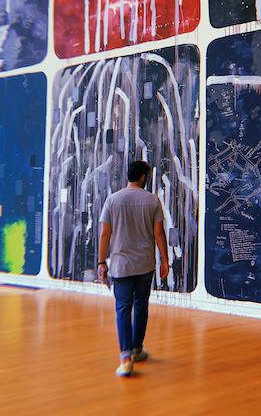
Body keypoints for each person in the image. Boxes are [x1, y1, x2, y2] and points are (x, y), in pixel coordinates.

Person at [97, 160, 169, 377]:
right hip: (145, 264)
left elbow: (105, 234)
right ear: (143, 177)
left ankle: (126, 358)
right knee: (141, 307)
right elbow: (159, 233)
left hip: (121, 266)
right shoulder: (152, 201)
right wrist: (165, 260)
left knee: (122, 309)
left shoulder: (112, 200)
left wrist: (101, 263)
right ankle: (137, 349)